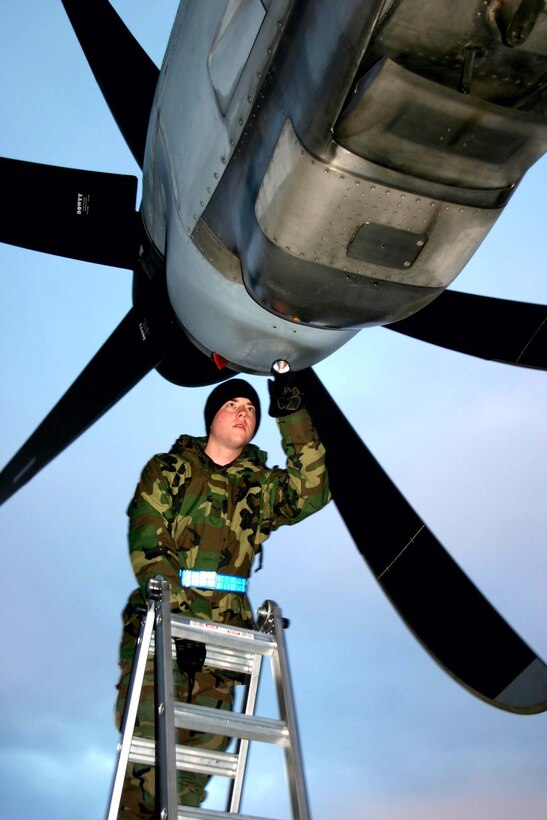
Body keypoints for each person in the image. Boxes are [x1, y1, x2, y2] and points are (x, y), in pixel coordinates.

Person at [115, 374, 330, 816]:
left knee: (198, 768)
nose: (244, 413)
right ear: (212, 417)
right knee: (149, 763)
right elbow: (149, 540)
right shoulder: (169, 469)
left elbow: (313, 491)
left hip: (226, 638)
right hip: (165, 628)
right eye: (233, 404)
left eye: (251, 409)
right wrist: (177, 617)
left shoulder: (260, 487)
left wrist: (292, 414)